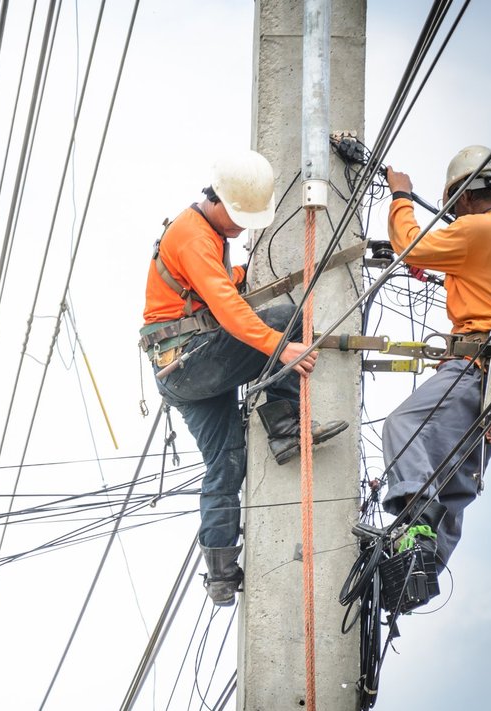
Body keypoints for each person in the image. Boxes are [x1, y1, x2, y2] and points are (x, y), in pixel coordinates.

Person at [139, 149, 347, 606]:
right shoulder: (194, 236)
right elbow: (229, 310)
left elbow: (213, 285)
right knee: (286, 317)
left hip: (180, 371)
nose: (240, 226)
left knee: (227, 463)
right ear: (216, 201)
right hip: (191, 361)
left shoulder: (204, 234)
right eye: (237, 216)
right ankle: (285, 426)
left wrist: (237, 273)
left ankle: (220, 573)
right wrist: (280, 345)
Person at [381, 145, 491, 570]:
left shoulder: (479, 230)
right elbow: (484, 282)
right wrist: (446, 267)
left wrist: (400, 195)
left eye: (456, 208)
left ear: (468, 196)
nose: (456, 217)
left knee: (406, 425)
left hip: (476, 367)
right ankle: (422, 570)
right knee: (456, 477)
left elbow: (409, 246)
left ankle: (414, 521)